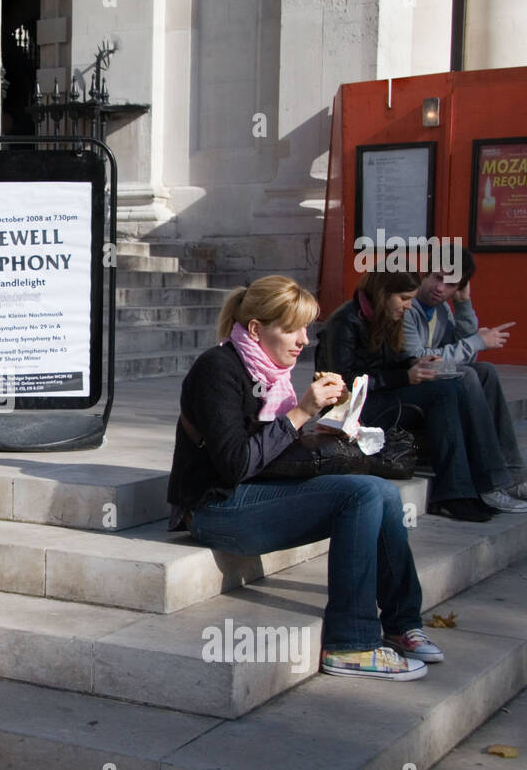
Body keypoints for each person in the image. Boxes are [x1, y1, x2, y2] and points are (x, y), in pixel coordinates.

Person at [168, 275, 441, 681]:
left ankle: (402, 624)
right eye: (291, 328)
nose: (303, 340)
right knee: (363, 495)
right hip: (214, 506)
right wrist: (300, 413)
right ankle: (351, 643)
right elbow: (237, 463)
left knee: (381, 492)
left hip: (254, 493)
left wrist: (328, 424)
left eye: (307, 328)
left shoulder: (271, 371)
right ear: (257, 330)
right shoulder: (218, 369)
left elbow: (270, 449)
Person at [319, 269, 516, 522]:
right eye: (403, 298)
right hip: (352, 409)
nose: (409, 305)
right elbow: (342, 380)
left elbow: (393, 362)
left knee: (454, 384)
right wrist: (405, 377)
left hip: (381, 395)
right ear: (383, 294)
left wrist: (417, 363)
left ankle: (478, 484)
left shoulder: (388, 315)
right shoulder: (344, 321)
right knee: (443, 392)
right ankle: (452, 494)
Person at [403, 250, 527, 506]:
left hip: (434, 388)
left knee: (484, 372)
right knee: (468, 376)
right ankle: (490, 482)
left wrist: (463, 304)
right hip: (405, 388)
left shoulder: (442, 312)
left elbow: (463, 357)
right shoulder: (407, 306)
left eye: (451, 284)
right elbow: (417, 357)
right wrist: (475, 342)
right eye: (437, 277)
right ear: (425, 274)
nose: (440, 288)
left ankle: (514, 477)